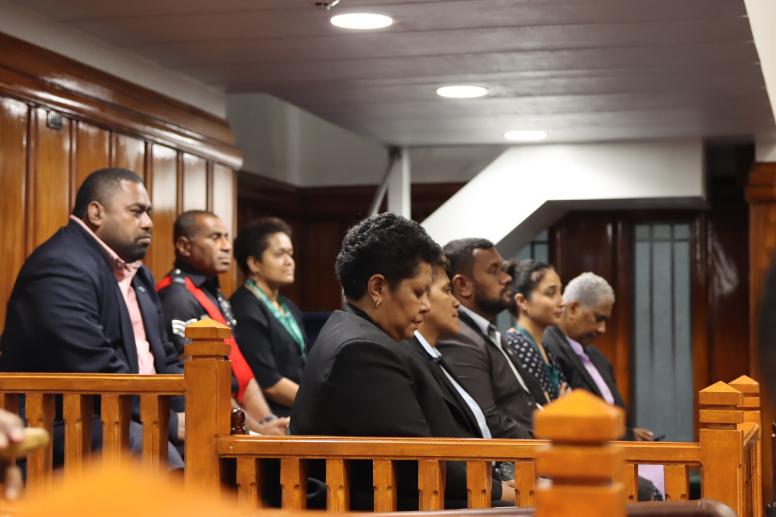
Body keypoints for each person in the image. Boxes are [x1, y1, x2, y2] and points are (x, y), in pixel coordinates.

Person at [291, 214, 513, 509]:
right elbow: (419, 461)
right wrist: (505, 491)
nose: (426, 306)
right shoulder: (362, 350)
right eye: (418, 292)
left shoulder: (369, 334)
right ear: (378, 288)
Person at [0, 168, 184, 466]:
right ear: (96, 213)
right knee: (146, 447)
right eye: (136, 211)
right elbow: (91, 364)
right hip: (62, 422)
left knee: (214, 444)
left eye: (149, 213)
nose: (148, 223)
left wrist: (193, 413)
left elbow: (166, 357)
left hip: (129, 414)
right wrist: (171, 421)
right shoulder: (61, 265)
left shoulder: (139, 275)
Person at [156, 210, 287, 435]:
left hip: (234, 417)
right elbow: (203, 380)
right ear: (184, 246)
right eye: (215, 238)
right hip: (203, 420)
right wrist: (255, 430)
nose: (226, 246)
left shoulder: (214, 294)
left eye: (226, 237)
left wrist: (267, 420)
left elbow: (240, 370)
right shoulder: (176, 297)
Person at [542, 272, 661, 501]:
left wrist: (630, 433)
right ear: (573, 308)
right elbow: (574, 414)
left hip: (620, 451)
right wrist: (626, 435)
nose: (602, 329)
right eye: (598, 318)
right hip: (585, 458)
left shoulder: (598, 357)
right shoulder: (550, 348)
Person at [437, 239, 539, 439]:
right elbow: (487, 420)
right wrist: (543, 441)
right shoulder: (458, 338)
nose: (506, 278)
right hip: (522, 453)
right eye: (494, 271)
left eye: (503, 269)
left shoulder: (485, 332)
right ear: (462, 285)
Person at [231, 218, 306, 418]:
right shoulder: (244, 308)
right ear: (254, 263)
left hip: (299, 407)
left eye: (290, 253)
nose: (289, 261)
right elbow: (269, 383)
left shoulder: (288, 306)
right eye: (280, 254)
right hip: (272, 417)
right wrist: (321, 403)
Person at [502, 260, 568, 403]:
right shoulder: (517, 345)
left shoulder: (544, 346)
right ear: (522, 301)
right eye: (551, 293)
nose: (562, 302)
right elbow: (541, 408)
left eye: (560, 292)